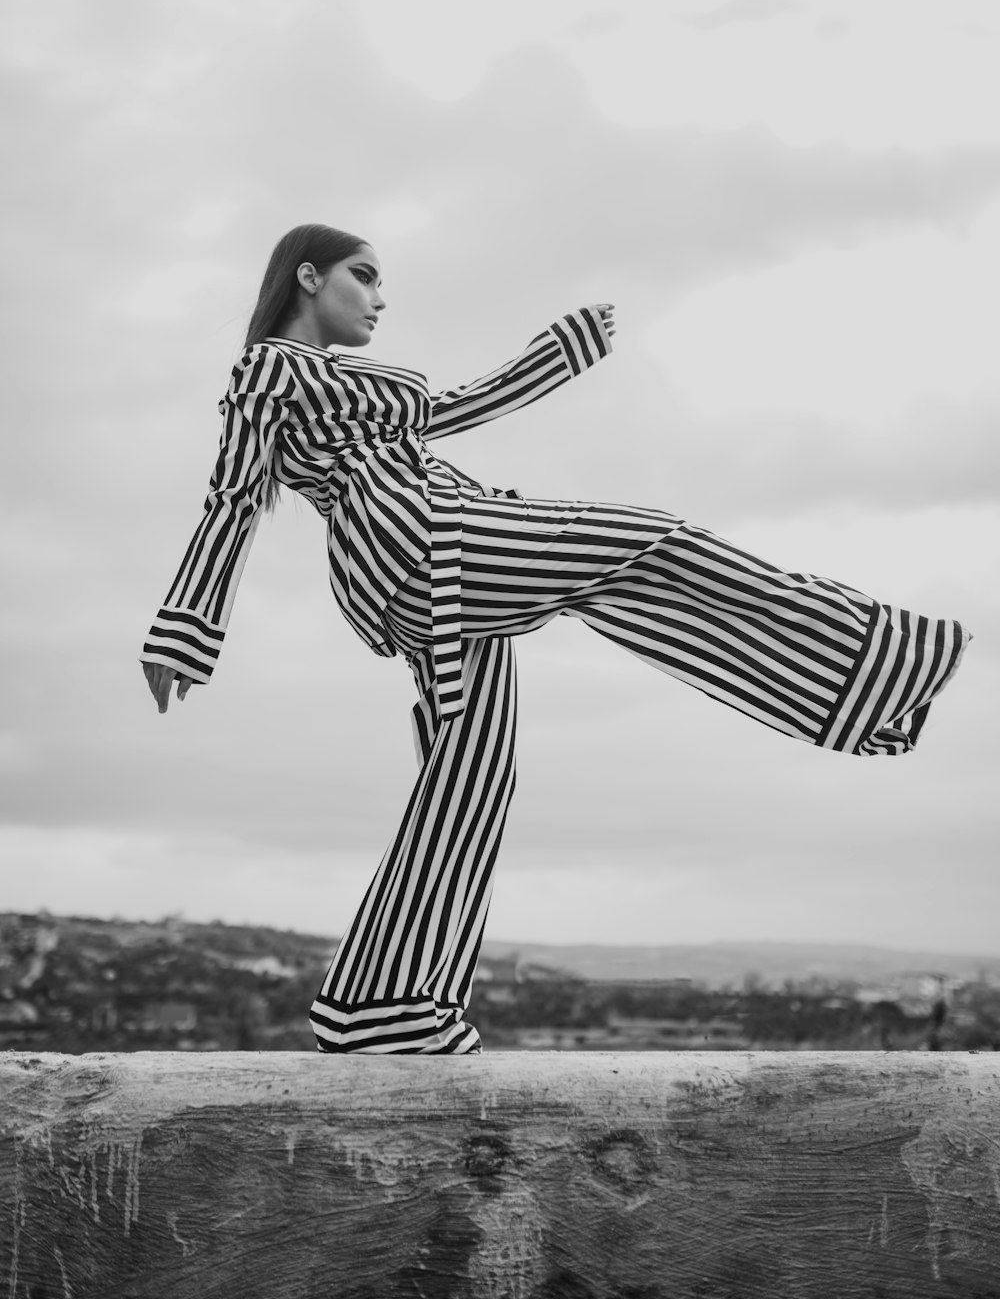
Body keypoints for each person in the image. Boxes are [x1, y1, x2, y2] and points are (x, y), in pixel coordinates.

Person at [141, 223, 970, 1054]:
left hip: (429, 558)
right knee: (653, 538)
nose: (382, 298)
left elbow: (460, 406)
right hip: (424, 537)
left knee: (472, 770)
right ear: (310, 277)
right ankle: (869, 663)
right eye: (366, 276)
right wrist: (185, 631)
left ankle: (386, 1006)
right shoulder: (268, 368)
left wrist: (559, 352)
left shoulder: (357, 384)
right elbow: (234, 499)